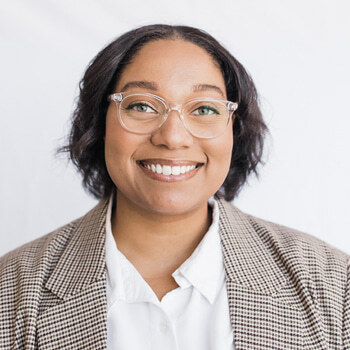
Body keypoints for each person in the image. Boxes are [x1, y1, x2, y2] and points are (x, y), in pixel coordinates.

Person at [0, 24, 349, 350]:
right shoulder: (10, 290)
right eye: (141, 106)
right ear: (99, 123)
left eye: (205, 109)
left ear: (234, 130)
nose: (172, 137)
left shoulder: (336, 286)